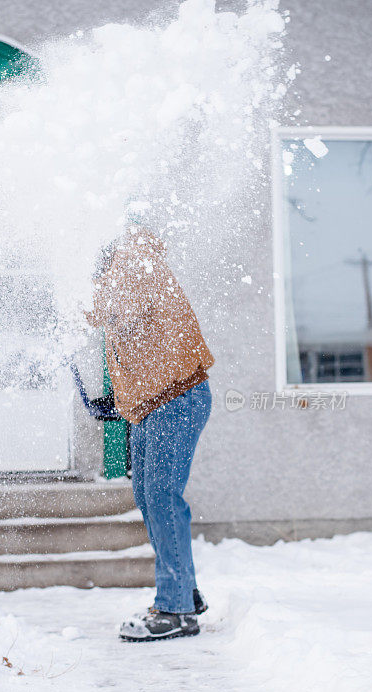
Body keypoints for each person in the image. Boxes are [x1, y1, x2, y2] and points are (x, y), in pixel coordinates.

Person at [85, 223, 214, 642]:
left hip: (176, 399)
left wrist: (78, 293)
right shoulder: (118, 267)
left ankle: (175, 609)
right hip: (151, 405)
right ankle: (183, 594)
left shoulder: (133, 255)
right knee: (148, 496)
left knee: (161, 496)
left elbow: (117, 309)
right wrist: (118, 401)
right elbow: (135, 343)